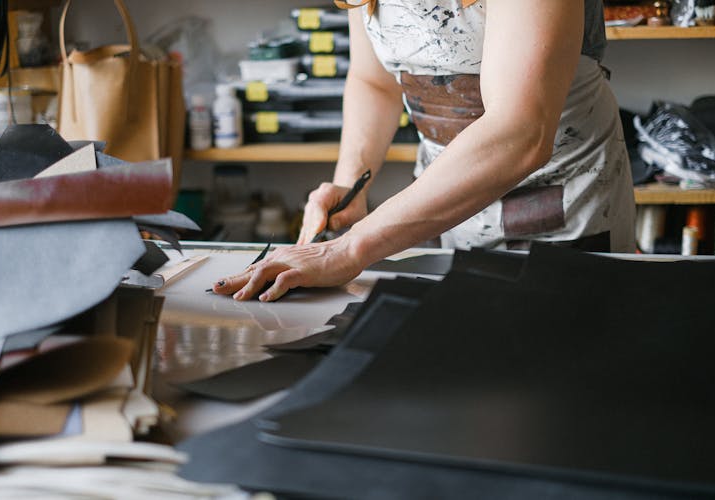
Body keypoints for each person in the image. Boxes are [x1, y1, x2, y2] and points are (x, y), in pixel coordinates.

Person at [213, 0, 635, 302]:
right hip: (444, 201)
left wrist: (349, 248)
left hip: (560, 203)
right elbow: (373, 82)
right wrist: (349, 183)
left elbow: (519, 133)